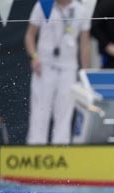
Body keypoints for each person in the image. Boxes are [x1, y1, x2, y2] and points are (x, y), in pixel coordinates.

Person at [25, 0, 91, 145]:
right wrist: (34, 56)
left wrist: (85, 73)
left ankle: (61, 147)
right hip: (44, 67)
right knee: (40, 111)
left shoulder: (80, 10)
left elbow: (85, 44)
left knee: (64, 113)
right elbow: (30, 35)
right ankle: (36, 147)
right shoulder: (43, 5)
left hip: (68, 68)